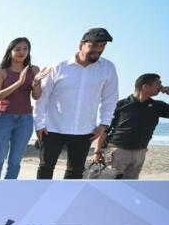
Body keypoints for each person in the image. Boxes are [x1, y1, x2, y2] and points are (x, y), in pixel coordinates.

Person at [34, 28, 118, 179]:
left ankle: (69, 201)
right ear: (81, 45)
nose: (98, 50)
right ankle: (42, 200)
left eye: (102, 46)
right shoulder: (59, 66)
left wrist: (104, 124)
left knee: (75, 171)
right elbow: (43, 97)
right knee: (46, 167)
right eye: (94, 45)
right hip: (53, 128)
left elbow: (110, 99)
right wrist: (39, 123)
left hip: (85, 130)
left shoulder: (108, 68)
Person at [94, 73, 169, 179]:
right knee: (109, 185)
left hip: (140, 153)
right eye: (158, 83)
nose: (161, 87)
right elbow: (104, 129)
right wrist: (97, 151)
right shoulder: (120, 105)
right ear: (145, 86)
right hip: (117, 151)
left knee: (131, 187)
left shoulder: (158, 106)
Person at [0, 38, 51, 179]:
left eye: (25, 48)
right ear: (10, 51)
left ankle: (8, 193)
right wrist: (19, 82)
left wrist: (35, 82)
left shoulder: (34, 70)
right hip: (3, 118)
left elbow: (36, 96)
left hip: (25, 120)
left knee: (15, 162)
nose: (21, 52)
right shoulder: (2, 73)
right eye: (17, 49)